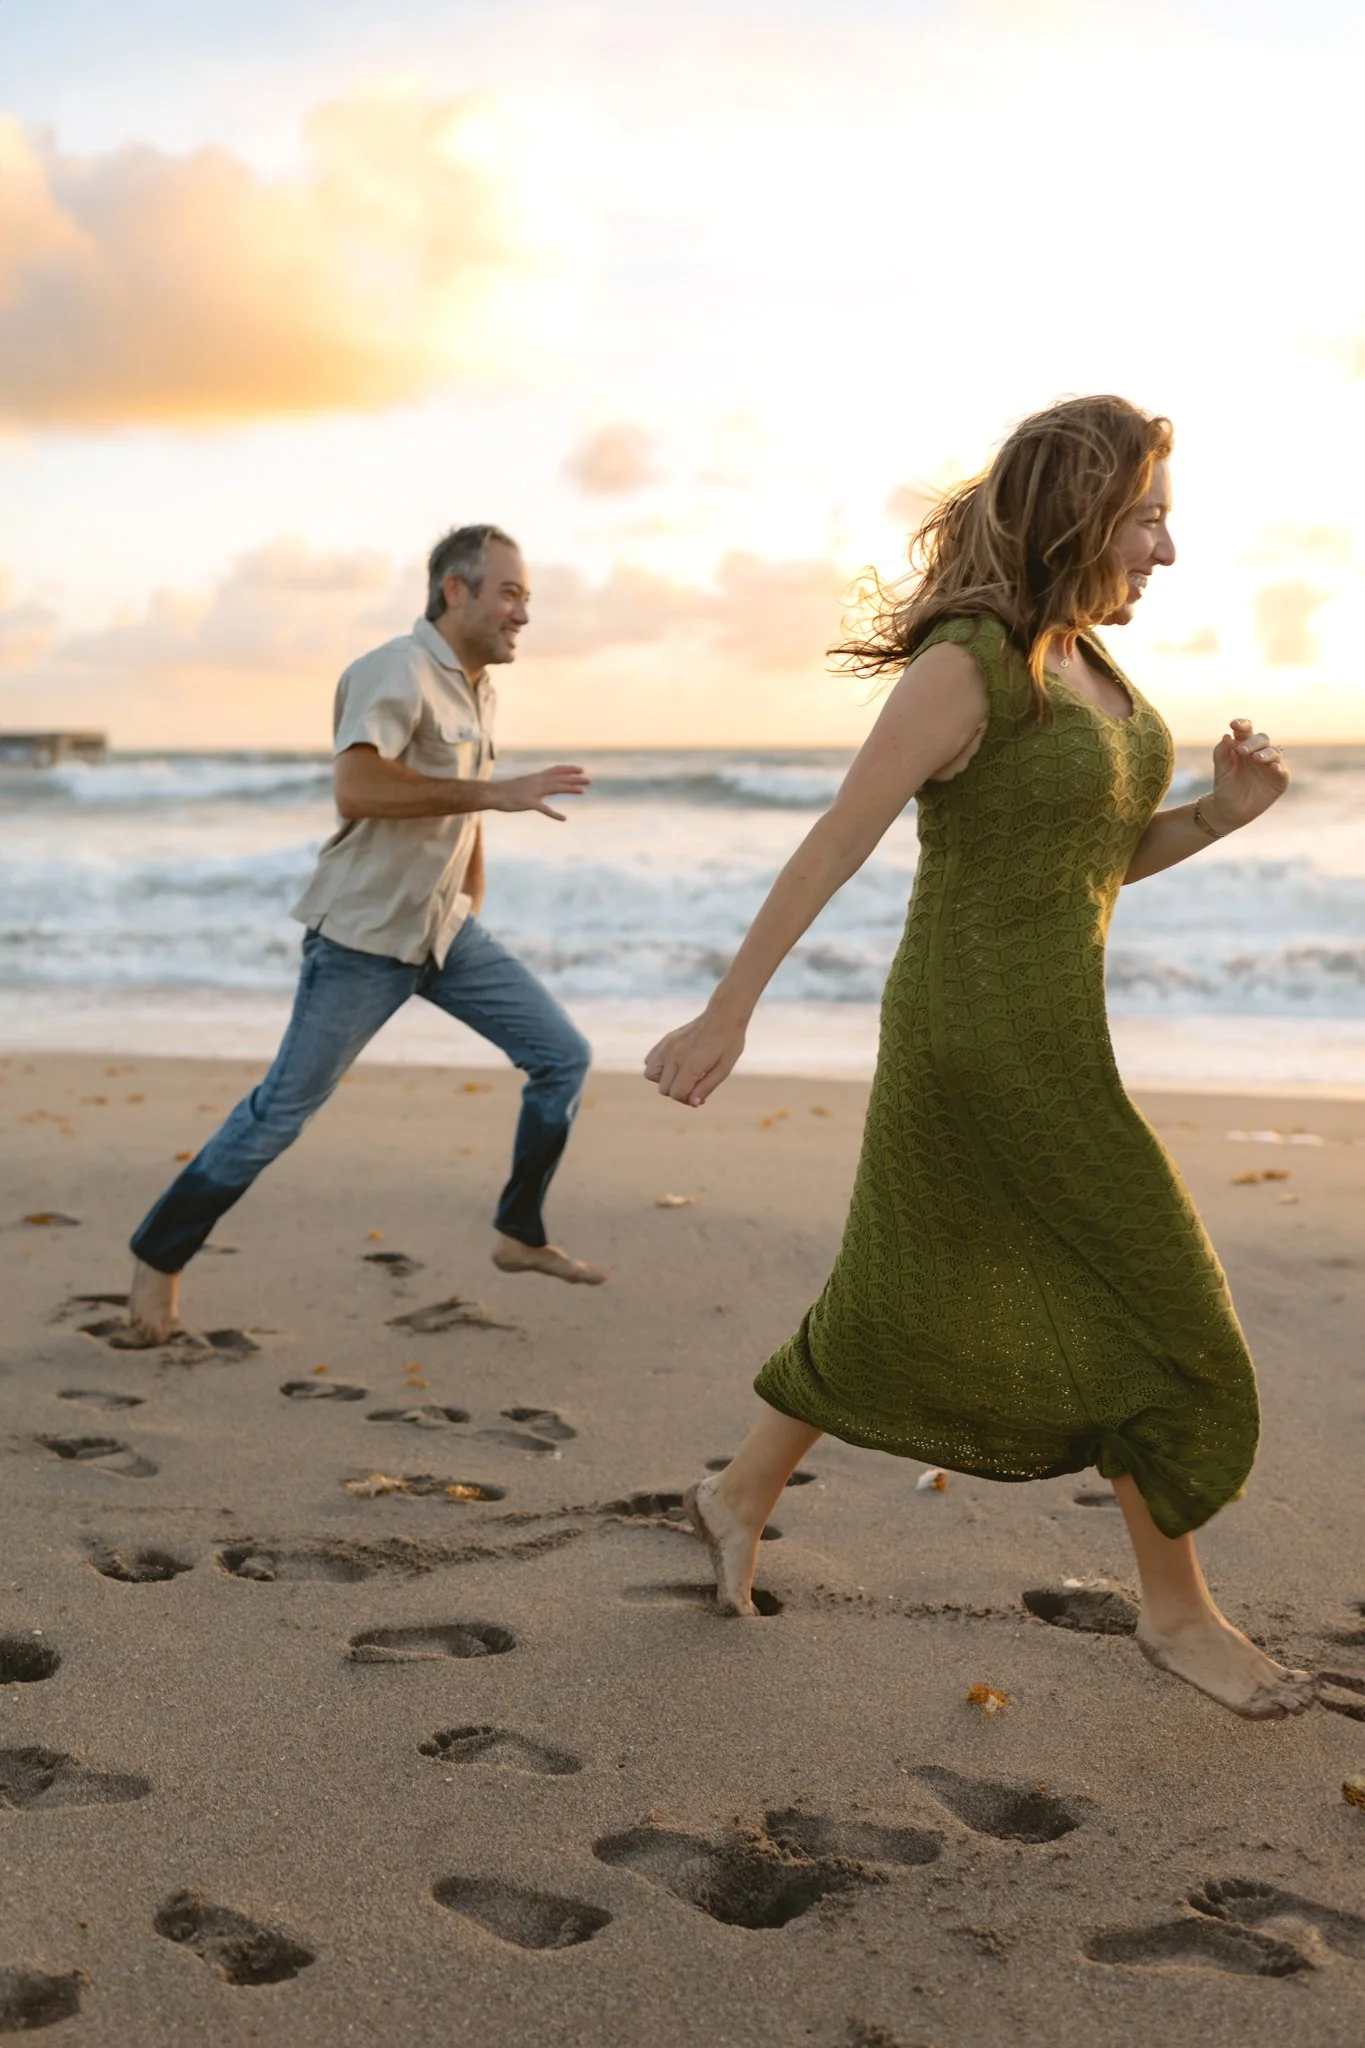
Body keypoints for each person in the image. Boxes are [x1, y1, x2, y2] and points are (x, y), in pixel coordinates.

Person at [645, 396, 1313, 1721]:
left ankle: (732, 1496)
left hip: (1047, 1031)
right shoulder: (967, 663)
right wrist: (729, 1009)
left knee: (897, 1293)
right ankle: (1175, 1614)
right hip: (971, 1038)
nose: (1167, 553)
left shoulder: (1091, 671)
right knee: (1153, 1297)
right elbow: (841, 832)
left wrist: (1218, 817)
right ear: (1080, 514)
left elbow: (1086, 861)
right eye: (1150, 520)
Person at [128, 522, 606, 1343]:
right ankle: (156, 1263)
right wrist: (497, 795)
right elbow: (358, 786)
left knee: (561, 1056)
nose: (523, 612)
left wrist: (472, 889)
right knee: (278, 1114)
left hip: (444, 933)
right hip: (360, 940)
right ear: (455, 591)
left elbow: (466, 794)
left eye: (526, 595)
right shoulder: (395, 669)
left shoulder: (477, 686)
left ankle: (517, 1233)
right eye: (510, 592)